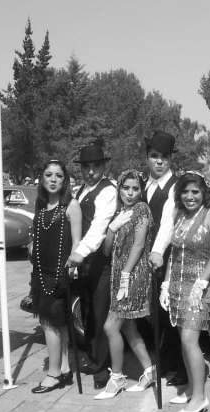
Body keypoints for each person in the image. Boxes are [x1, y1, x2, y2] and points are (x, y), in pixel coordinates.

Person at [160, 172, 210, 412]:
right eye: (185, 192)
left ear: (203, 193)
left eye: (195, 192)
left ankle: (200, 398)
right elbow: (174, 253)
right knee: (183, 341)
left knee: (189, 340)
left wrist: (201, 283)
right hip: (177, 286)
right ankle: (190, 388)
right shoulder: (179, 215)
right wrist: (166, 283)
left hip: (201, 288)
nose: (190, 196)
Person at [95, 169, 155, 399]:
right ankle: (149, 370)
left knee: (111, 327)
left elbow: (139, 245)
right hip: (118, 275)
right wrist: (112, 228)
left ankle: (117, 377)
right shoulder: (120, 212)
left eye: (135, 188)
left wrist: (126, 274)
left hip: (133, 275)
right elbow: (106, 250)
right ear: (119, 189)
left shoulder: (141, 209)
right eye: (126, 188)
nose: (130, 193)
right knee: (128, 327)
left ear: (141, 191)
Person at [66, 139, 117, 390]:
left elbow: (99, 227)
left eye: (95, 166)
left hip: (100, 261)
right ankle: (92, 357)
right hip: (83, 262)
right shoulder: (80, 191)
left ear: (103, 166)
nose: (90, 171)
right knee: (85, 312)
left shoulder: (108, 191)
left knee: (99, 314)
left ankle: (102, 368)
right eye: (86, 166)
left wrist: (80, 253)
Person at [30, 160, 82, 393]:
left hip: (59, 274)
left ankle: (53, 374)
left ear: (65, 180)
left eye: (58, 175)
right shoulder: (41, 205)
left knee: (51, 323)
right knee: (54, 324)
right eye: (49, 174)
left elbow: (77, 242)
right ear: (42, 178)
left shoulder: (71, 205)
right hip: (40, 272)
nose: (53, 179)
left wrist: (71, 268)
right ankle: (64, 367)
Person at [145, 130, 188, 387]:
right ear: (147, 158)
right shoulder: (144, 185)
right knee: (157, 316)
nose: (159, 161)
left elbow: (168, 224)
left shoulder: (175, 187)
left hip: (169, 257)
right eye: (154, 156)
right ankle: (165, 361)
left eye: (164, 157)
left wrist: (158, 251)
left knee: (173, 314)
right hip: (147, 257)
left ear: (171, 158)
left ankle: (181, 368)